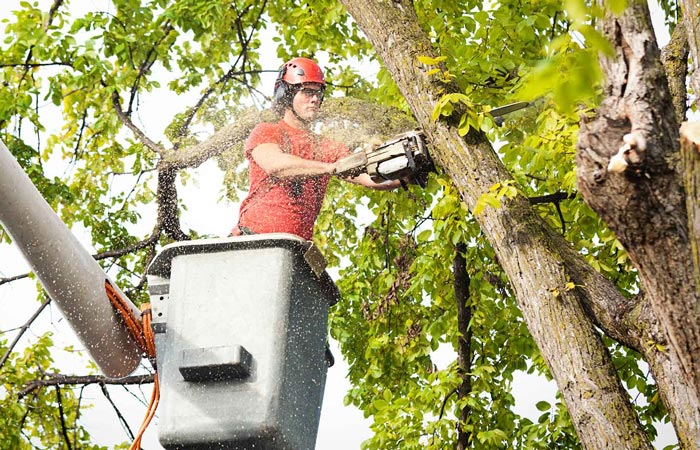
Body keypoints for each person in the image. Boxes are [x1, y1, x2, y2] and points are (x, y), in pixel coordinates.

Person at [231, 57, 400, 240]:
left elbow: (372, 179)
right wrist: (329, 167)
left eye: (318, 93)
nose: (314, 99)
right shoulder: (267, 131)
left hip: (295, 249)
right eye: (307, 92)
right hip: (252, 241)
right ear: (287, 95)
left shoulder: (327, 147)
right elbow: (276, 165)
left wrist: (404, 173)